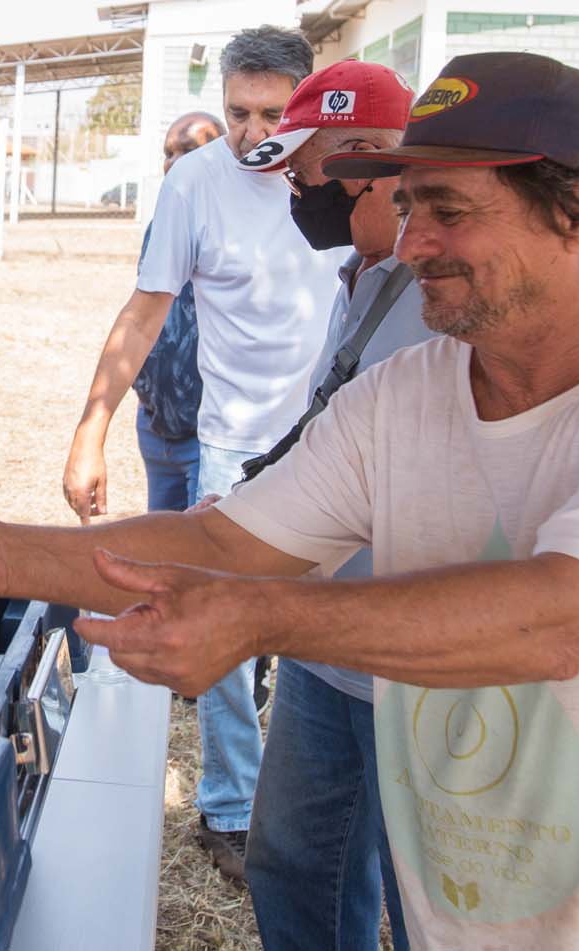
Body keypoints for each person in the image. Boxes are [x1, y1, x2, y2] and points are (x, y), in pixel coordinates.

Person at [0, 51, 579, 949]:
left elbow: (560, 618)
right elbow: (228, 543)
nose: (411, 243)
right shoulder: (406, 394)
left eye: (446, 209)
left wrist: (261, 619)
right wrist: (3, 557)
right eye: (406, 207)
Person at [62, 25, 340, 880]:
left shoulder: (343, 177)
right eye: (236, 113)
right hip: (234, 446)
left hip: (341, 444)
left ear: (304, 102)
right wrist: (92, 427)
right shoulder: (196, 182)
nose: (253, 132)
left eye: (270, 113)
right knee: (225, 636)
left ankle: (319, 803)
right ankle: (228, 804)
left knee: (330, 643)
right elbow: (144, 312)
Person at [224, 60, 424, 951]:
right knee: (296, 860)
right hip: (323, 637)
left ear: (368, 163)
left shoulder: (448, 299)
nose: (296, 192)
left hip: (410, 651)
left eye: (304, 172)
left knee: (430, 898)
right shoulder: (365, 277)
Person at [125, 111, 224, 517]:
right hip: (155, 426)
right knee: (160, 556)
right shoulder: (160, 225)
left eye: (189, 151)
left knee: (196, 565)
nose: (175, 162)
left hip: (207, 436)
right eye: (169, 152)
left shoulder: (233, 224)